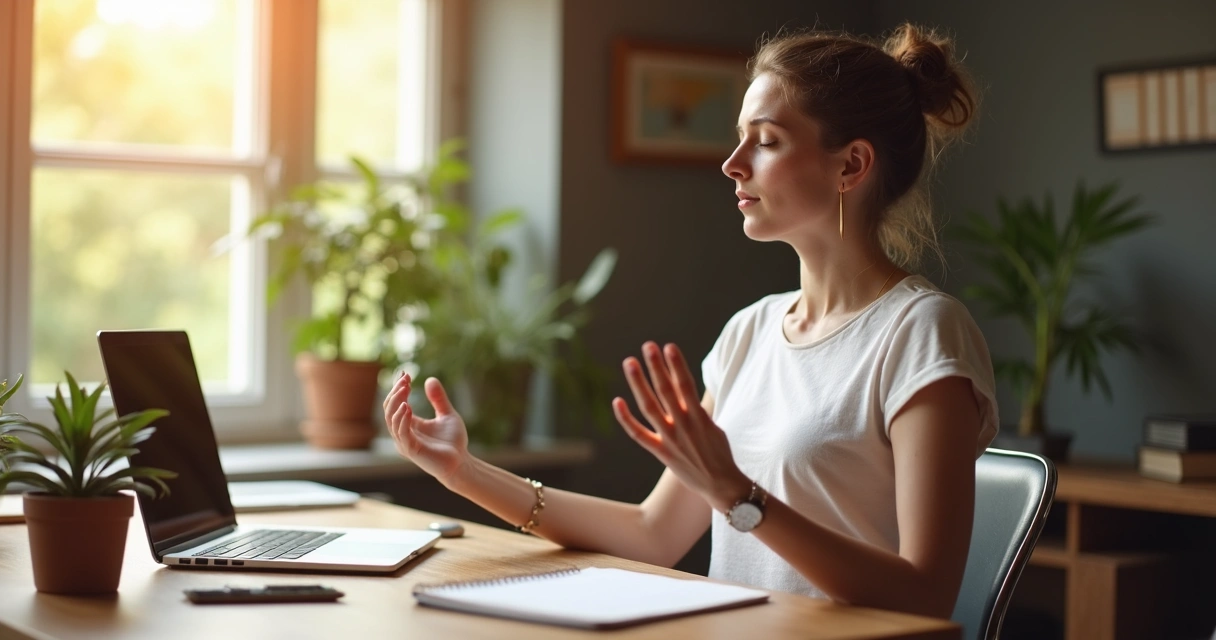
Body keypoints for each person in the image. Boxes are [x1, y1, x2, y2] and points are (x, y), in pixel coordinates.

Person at [383, 22, 997, 619]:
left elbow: (925, 595)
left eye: (766, 140)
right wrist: (464, 472)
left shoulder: (921, 333)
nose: (732, 163)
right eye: (739, 137)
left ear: (850, 166)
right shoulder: (749, 333)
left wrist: (738, 496)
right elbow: (653, 533)